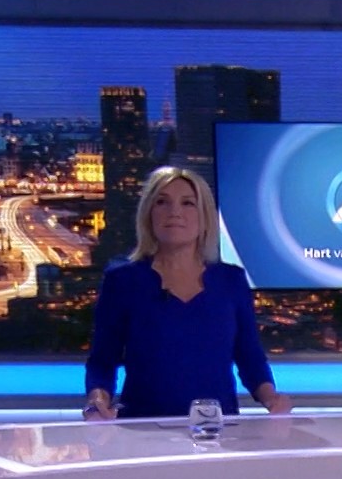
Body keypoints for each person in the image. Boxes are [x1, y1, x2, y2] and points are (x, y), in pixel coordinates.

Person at [83, 167, 292, 420]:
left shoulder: (231, 281)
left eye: (188, 203)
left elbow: (250, 358)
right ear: (148, 214)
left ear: (204, 216)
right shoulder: (122, 281)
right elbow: (102, 361)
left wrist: (272, 399)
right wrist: (97, 402)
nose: (175, 212)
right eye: (162, 202)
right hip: (142, 428)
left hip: (217, 429)